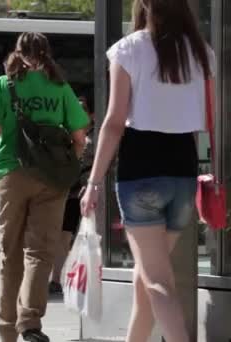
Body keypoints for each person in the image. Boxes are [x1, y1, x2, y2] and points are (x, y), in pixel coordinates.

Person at [80, 1, 215, 341]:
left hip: (140, 172)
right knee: (146, 280)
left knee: (158, 282)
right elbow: (209, 119)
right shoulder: (201, 53)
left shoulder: (129, 49)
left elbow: (112, 123)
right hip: (184, 173)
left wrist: (94, 182)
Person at [0, 32, 89, 342]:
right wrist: (65, 168)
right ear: (47, 54)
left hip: (11, 175)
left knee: (10, 254)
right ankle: (30, 323)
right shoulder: (60, 88)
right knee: (40, 253)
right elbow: (80, 137)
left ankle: (6, 330)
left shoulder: (3, 86)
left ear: (18, 54)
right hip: (51, 181)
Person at [49, 96, 95, 294]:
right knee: (63, 236)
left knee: (91, 236)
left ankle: (94, 275)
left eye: (82, 109)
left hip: (91, 193)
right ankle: (56, 279)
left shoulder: (97, 137)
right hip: (70, 192)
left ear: (91, 114)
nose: (78, 113)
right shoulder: (65, 135)